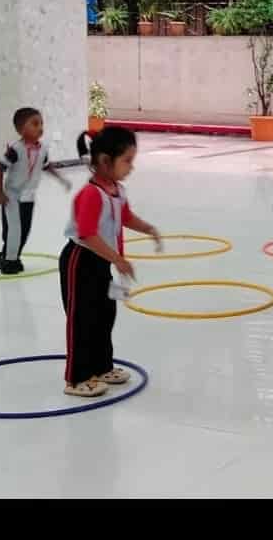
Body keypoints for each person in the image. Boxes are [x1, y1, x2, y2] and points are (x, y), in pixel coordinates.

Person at [58, 124, 164, 398]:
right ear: (105, 161)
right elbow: (87, 234)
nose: (131, 167)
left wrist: (149, 228)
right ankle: (77, 377)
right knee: (81, 319)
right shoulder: (92, 194)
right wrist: (118, 259)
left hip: (101, 262)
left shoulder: (117, 190)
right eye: (127, 160)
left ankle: (102, 367)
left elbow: (126, 217)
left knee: (104, 316)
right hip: (80, 261)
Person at [0, 105, 72, 274]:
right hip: (12, 195)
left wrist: (61, 179)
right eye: (35, 124)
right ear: (21, 130)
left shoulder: (43, 149)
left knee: (24, 229)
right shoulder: (15, 149)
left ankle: (8, 254)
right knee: (13, 229)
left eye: (41, 123)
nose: (40, 128)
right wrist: (0, 193)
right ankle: (9, 261)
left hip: (28, 196)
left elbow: (46, 166)